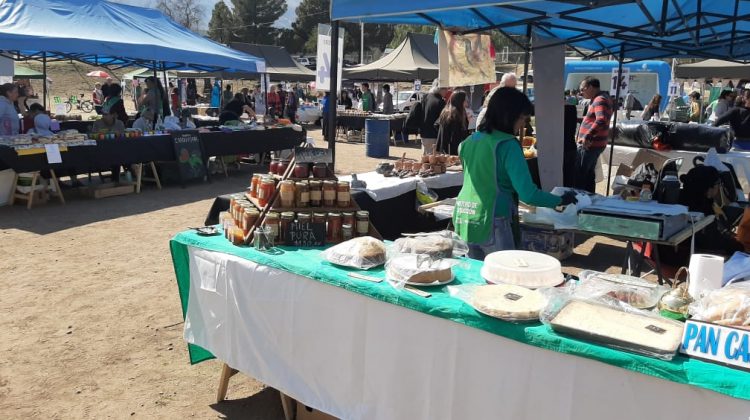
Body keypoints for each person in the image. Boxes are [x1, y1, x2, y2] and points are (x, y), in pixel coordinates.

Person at [452, 87, 577, 260]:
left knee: (472, 277)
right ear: (509, 115)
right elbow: (529, 194)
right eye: (523, 119)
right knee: (502, 280)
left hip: (464, 217)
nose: (522, 125)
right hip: (493, 220)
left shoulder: (467, 142)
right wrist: (560, 200)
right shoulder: (508, 145)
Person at [660, 165, 744, 266]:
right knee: (739, 249)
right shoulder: (702, 210)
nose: (719, 186)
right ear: (709, 189)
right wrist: (737, 245)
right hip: (686, 258)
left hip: (668, 253)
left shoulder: (678, 197)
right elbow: (710, 241)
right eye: (718, 183)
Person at [574, 77, 613, 193]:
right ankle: (589, 198)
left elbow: (601, 119)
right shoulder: (600, 98)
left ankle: (580, 200)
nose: (581, 92)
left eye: (583, 89)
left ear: (591, 87)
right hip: (596, 143)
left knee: (581, 175)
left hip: (590, 144)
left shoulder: (600, 99)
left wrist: (588, 136)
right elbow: (596, 118)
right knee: (588, 174)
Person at [436, 90, 469, 155]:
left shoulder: (446, 111)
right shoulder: (455, 114)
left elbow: (437, 126)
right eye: (465, 99)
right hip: (453, 149)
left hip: (445, 148)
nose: (466, 101)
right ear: (460, 101)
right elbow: (456, 135)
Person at [419, 82, 447, 154]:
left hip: (424, 133)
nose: (447, 91)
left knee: (425, 159)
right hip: (434, 136)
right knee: (433, 161)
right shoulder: (440, 102)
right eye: (445, 88)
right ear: (440, 89)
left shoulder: (425, 97)